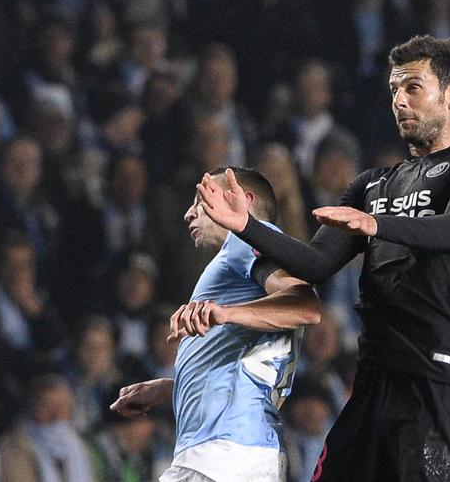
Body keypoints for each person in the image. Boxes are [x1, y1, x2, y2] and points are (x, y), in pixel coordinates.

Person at [195, 36, 450, 481]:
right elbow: (314, 264)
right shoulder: (372, 185)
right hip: (372, 382)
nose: (399, 101)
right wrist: (248, 225)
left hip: (435, 382)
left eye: (413, 88)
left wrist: (376, 226)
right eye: (394, 91)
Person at [110, 167, 321, 482]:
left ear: (244, 200)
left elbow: (305, 305)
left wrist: (226, 313)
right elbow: (246, 369)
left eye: (202, 199)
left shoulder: (245, 241)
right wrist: (175, 387)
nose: (188, 213)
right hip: (242, 453)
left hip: (219, 454)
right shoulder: (246, 261)